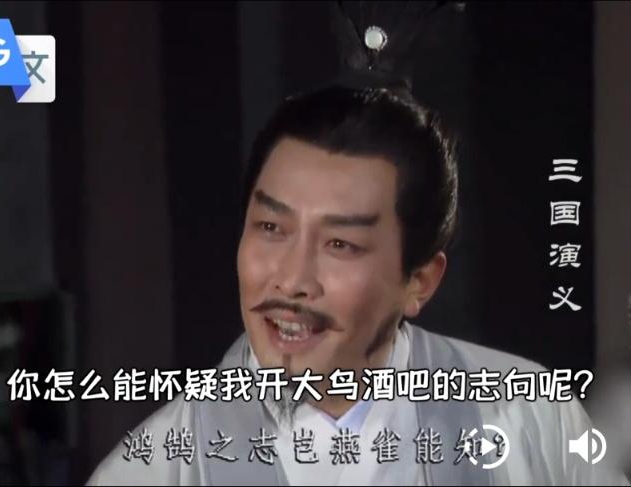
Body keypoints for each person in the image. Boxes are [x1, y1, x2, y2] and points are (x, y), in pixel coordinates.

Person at [88, 6, 629, 486]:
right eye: (271, 228)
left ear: (420, 280)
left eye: (341, 243)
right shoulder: (155, 467)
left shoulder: (527, 414)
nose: (292, 279)